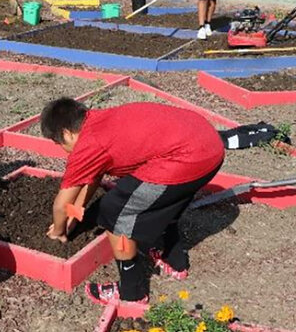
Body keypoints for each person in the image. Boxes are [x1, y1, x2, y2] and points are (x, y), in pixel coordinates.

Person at [41, 98, 225, 304]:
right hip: (209, 146)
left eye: (59, 143)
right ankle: (174, 262)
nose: (62, 149)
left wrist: (59, 232)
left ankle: (132, 291)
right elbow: (92, 178)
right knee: (166, 201)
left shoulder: (88, 143)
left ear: (67, 133)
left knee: (114, 211)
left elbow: (60, 204)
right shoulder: (99, 121)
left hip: (186, 157)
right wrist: (75, 214)